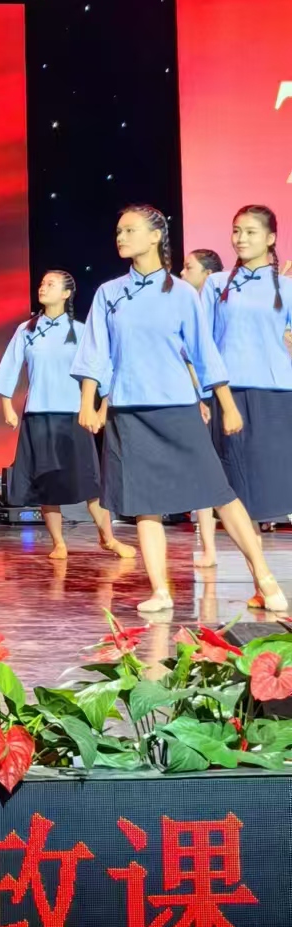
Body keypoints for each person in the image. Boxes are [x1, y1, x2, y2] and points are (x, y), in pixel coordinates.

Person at [72, 203, 287, 617]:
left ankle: (264, 577)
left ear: (156, 236)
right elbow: (96, 353)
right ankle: (160, 590)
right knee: (145, 503)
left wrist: (227, 406)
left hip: (177, 408)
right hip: (129, 411)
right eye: (118, 231)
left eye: (130, 230)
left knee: (220, 493)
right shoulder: (109, 294)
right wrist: (88, 401)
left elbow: (205, 354)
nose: (121, 237)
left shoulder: (183, 293)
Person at [0, 270, 133, 561]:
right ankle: (58, 543)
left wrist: (101, 408)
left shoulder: (81, 331)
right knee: (47, 484)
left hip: (73, 416)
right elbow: (9, 366)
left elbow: (101, 370)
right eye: (42, 283)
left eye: (51, 284)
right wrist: (7, 406)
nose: (43, 287)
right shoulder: (26, 329)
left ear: (67, 294)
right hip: (38, 417)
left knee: (90, 482)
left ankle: (108, 538)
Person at [204, 205, 292, 539]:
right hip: (228, 394)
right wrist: (201, 396)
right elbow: (203, 344)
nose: (241, 238)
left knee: (276, 480)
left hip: (276, 394)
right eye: (236, 230)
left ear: (270, 239)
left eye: (250, 232)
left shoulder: (286, 287)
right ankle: (255, 563)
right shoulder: (216, 284)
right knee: (235, 486)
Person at [181, 245, 226, 566]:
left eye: (189, 268)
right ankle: (208, 548)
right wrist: (197, 396)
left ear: (209, 275)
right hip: (202, 396)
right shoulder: (185, 307)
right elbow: (188, 358)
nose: (182, 273)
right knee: (203, 469)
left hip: (229, 392)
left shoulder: (224, 307)